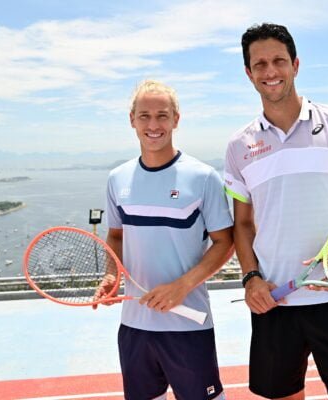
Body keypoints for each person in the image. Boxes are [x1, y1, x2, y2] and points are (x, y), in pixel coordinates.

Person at [224, 23, 328, 400]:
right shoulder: (238, 146)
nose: (270, 71)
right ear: (249, 73)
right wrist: (251, 279)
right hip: (275, 301)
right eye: (259, 64)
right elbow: (242, 225)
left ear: (295, 64)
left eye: (279, 60)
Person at [102, 79, 233, 400]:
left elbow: (225, 242)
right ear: (131, 119)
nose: (153, 125)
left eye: (162, 115)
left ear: (176, 119)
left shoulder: (203, 177)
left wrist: (181, 287)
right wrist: (110, 273)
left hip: (188, 326)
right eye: (144, 116)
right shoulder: (117, 179)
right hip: (134, 326)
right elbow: (116, 235)